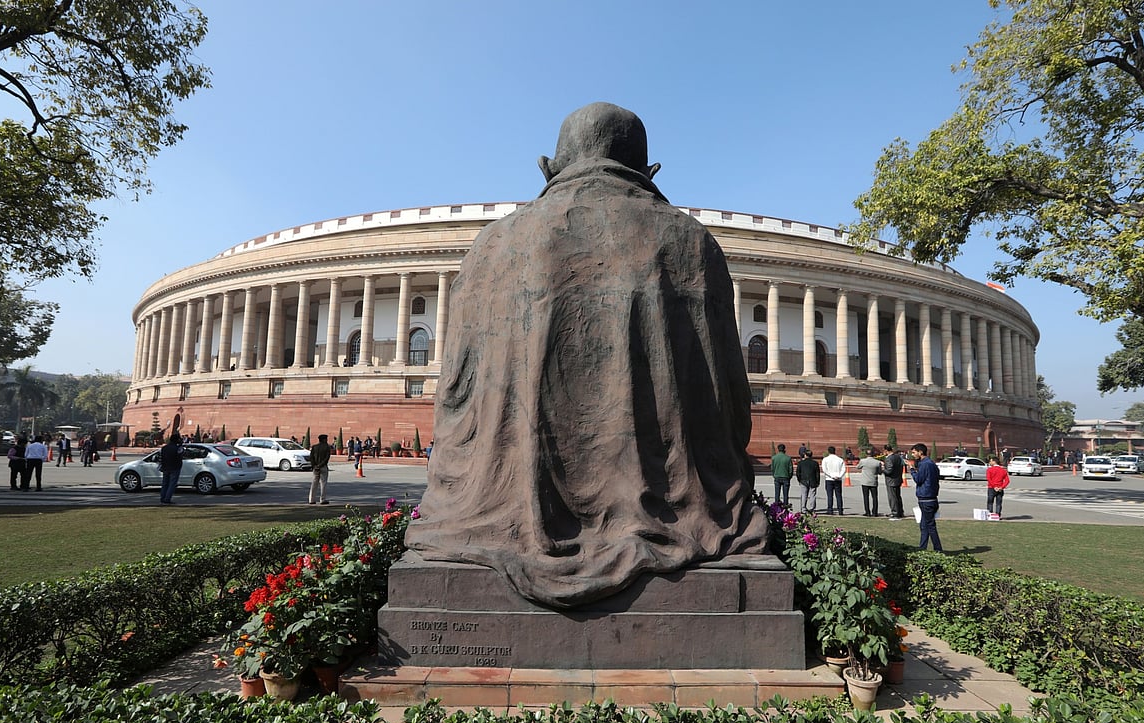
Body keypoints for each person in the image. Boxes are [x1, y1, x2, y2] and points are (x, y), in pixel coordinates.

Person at [409, 103, 766, 608]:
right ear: (649, 171)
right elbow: (729, 395)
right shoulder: (692, 241)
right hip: (675, 513)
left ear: (547, 168)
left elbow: (455, 394)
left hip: (494, 510)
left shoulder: (492, 244)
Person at [908, 443, 942, 551]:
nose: (913, 455)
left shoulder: (925, 464)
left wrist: (912, 469)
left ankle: (938, 549)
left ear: (920, 452)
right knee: (924, 526)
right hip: (930, 498)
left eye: (914, 452)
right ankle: (922, 548)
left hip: (926, 499)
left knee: (930, 526)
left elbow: (918, 479)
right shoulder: (931, 463)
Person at [856, 448, 884, 517]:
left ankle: (867, 512)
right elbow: (880, 472)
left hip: (865, 481)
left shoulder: (863, 461)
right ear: (873, 454)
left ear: (866, 454)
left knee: (866, 497)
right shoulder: (877, 462)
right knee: (874, 497)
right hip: (873, 481)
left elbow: (858, 467)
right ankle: (874, 512)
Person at [820, 445, 846, 515]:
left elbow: (824, 470)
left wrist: (831, 476)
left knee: (830, 495)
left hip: (829, 479)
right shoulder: (840, 459)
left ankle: (830, 510)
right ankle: (840, 510)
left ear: (828, 451)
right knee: (838, 495)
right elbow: (843, 469)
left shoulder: (825, 459)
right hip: (838, 479)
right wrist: (839, 476)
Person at [158, 434, 184, 505]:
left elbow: (161, 458)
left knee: (165, 483)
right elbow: (181, 454)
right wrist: (181, 445)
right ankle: (167, 498)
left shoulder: (164, 448)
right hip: (175, 467)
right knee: (172, 484)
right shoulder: (177, 448)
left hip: (166, 467)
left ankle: (162, 498)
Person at [308, 433, 332, 505]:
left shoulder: (314, 447)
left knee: (314, 483)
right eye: (326, 439)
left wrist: (314, 466)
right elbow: (326, 458)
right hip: (323, 466)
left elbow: (311, 458)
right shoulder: (327, 447)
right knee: (323, 483)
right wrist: (320, 465)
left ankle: (311, 499)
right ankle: (322, 499)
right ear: (324, 440)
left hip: (315, 467)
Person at [883, 444, 905, 519]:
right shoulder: (898, 457)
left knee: (892, 497)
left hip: (891, 480)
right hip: (898, 479)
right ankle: (900, 511)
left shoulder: (889, 459)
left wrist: (882, 470)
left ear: (886, 450)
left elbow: (889, 471)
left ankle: (895, 512)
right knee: (898, 497)